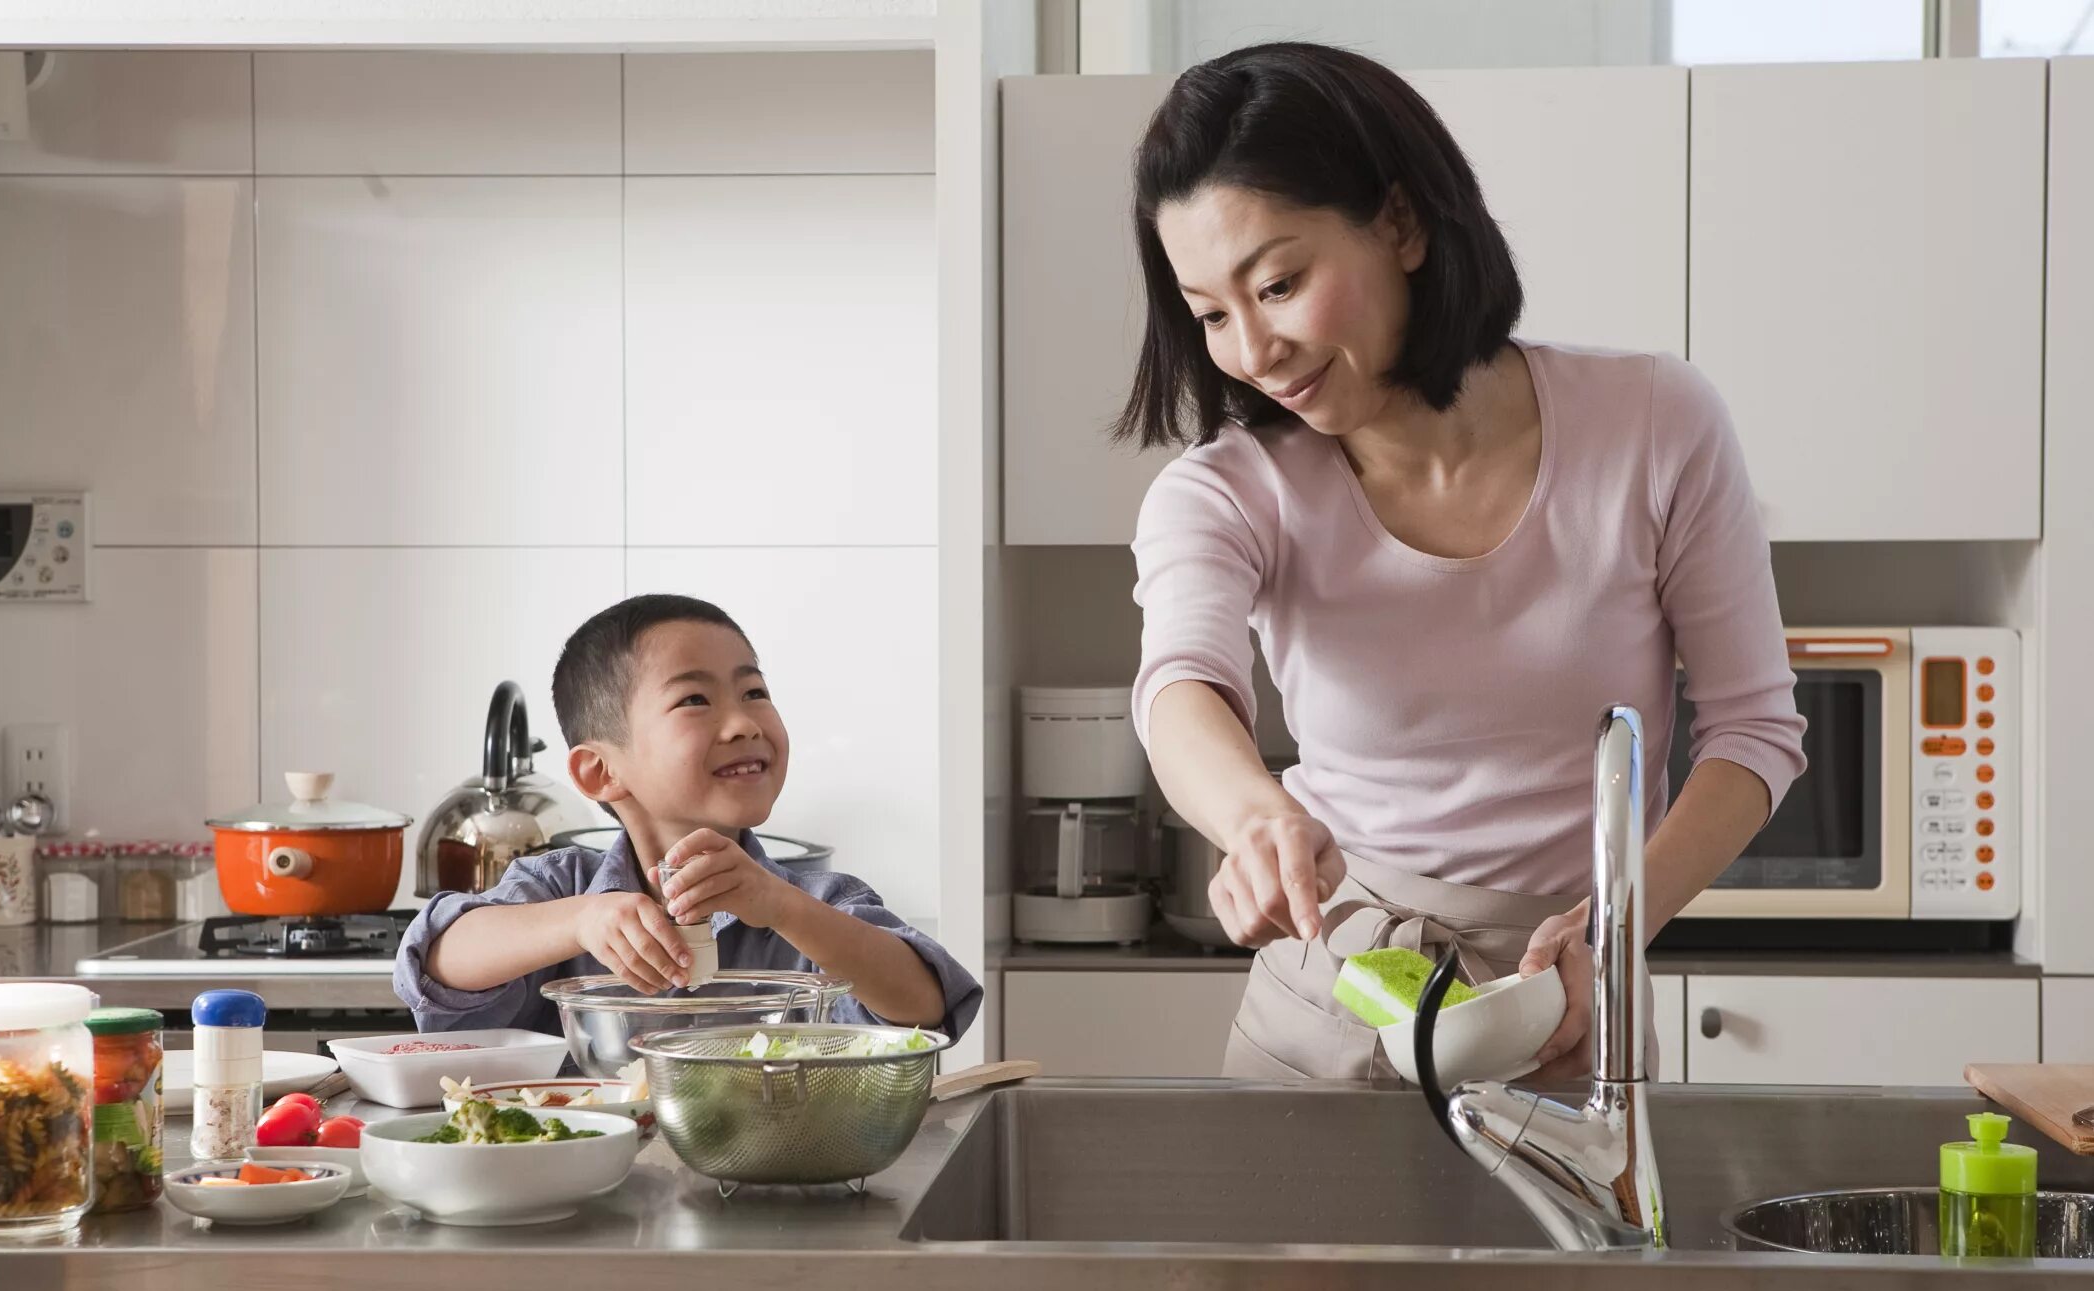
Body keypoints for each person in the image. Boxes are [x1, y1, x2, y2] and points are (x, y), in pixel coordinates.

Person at [1121, 43, 1806, 1082]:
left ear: (1399, 224)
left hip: (1566, 999)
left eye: (1280, 282)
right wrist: (1254, 817)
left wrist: (1608, 930)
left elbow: (1754, 732)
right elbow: (1180, 684)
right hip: (1329, 996)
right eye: (1212, 313)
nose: (1251, 349)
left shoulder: (1654, 423)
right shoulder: (1226, 489)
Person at [392, 593, 981, 1040]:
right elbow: (439, 958)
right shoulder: (559, 888)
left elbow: (926, 1004)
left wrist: (779, 905)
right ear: (601, 772)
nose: (745, 723)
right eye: (695, 700)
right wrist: (581, 921)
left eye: (754, 692)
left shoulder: (818, 905)